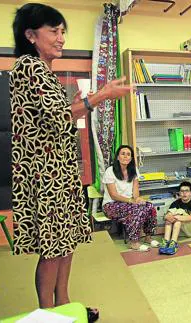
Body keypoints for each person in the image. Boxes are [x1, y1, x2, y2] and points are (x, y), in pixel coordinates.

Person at [10, 3, 132, 316]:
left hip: (60, 173)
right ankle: (48, 315)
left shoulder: (45, 72)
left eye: (63, 31)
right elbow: (57, 116)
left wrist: (80, 104)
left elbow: (58, 118)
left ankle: (64, 304)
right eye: (54, 30)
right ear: (31, 35)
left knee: (66, 242)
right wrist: (100, 95)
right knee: (53, 248)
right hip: (45, 175)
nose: (61, 37)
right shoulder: (28, 67)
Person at [103, 145, 158, 251]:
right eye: (123, 154)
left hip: (129, 203)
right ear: (118, 157)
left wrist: (137, 199)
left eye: (128, 154)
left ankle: (148, 237)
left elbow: (135, 191)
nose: (125, 156)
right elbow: (113, 195)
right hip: (111, 205)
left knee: (149, 206)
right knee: (136, 210)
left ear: (131, 158)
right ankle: (134, 242)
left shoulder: (133, 170)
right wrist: (131, 201)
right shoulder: (110, 171)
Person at [159, 181, 191, 255]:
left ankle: (174, 244)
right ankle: (166, 242)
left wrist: (176, 216)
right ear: (179, 193)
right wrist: (168, 217)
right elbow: (167, 216)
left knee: (178, 212)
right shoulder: (176, 203)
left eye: (186, 191)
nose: (184, 193)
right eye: (182, 191)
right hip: (180, 231)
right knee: (170, 219)